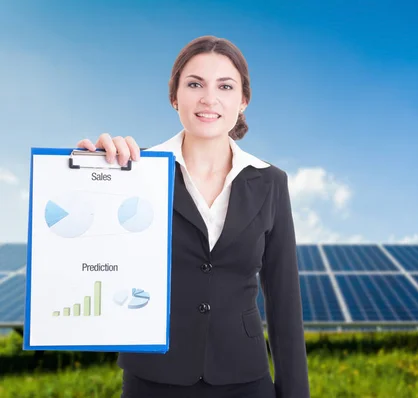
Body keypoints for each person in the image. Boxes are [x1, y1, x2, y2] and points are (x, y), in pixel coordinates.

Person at [77, 35, 310, 398]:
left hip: (245, 378)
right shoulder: (133, 171)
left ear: (243, 100)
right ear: (175, 96)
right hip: (153, 377)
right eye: (195, 84)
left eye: (225, 86)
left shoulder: (270, 181)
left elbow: (284, 303)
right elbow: (89, 249)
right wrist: (85, 173)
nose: (209, 98)